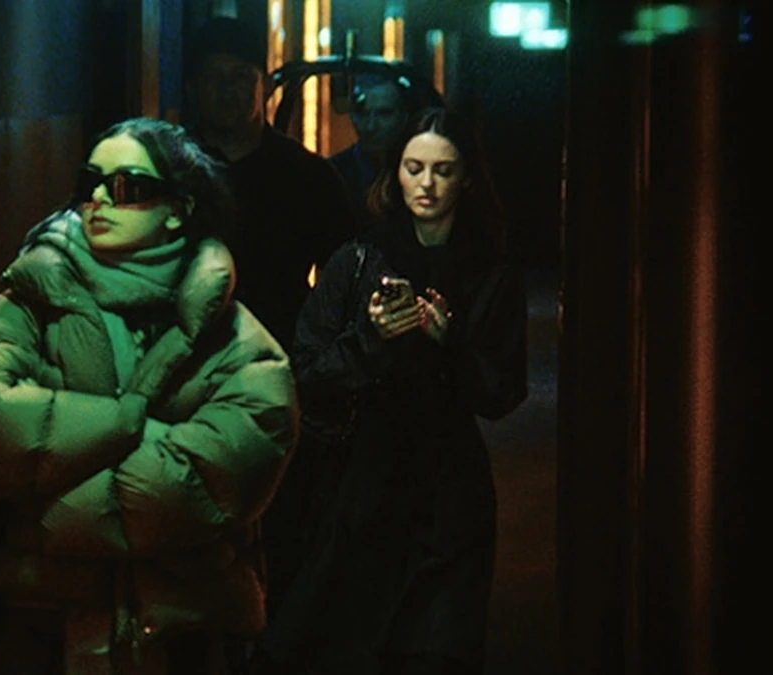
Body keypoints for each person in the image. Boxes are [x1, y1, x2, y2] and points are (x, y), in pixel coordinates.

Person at [0, 117, 300, 675]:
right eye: (91, 182)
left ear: (178, 209)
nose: (100, 199)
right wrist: (127, 422)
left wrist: (56, 489)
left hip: (180, 630)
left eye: (128, 186)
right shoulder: (33, 296)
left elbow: (235, 460)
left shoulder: (225, 327)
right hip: (44, 624)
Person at [255, 106, 528, 675]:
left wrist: (447, 342)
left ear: (466, 178)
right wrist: (372, 338)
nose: (427, 184)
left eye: (443, 171)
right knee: (351, 645)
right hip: (362, 485)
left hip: (448, 492)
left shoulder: (489, 271)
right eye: (414, 167)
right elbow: (307, 370)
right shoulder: (358, 261)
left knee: (437, 649)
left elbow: (501, 393)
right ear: (395, 172)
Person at [183, 15, 356, 352]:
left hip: (284, 350)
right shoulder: (172, 170)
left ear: (263, 83)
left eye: (240, 77)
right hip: (188, 352)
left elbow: (345, 277)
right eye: (213, 77)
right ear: (192, 88)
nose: (227, 90)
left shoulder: (307, 175)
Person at [328, 74, 443, 231]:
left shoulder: (424, 172)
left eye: (384, 114)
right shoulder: (333, 174)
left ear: (404, 116)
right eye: (362, 113)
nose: (371, 126)